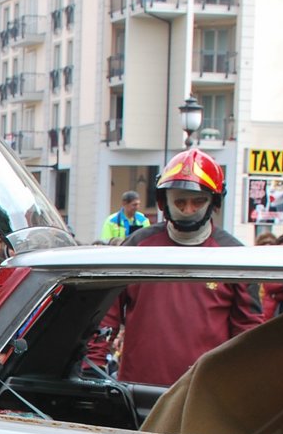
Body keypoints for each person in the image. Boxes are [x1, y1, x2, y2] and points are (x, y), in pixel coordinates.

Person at [97, 149, 260, 386]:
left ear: (213, 201)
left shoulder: (234, 256)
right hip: (138, 388)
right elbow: (105, 316)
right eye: (180, 201)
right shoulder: (137, 246)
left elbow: (247, 331)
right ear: (165, 202)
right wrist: (93, 366)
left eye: (198, 201)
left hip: (204, 392)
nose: (188, 209)